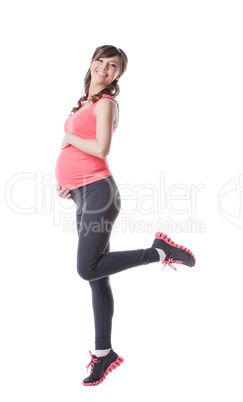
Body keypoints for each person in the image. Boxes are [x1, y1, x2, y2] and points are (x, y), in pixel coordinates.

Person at [55, 45, 196, 386]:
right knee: (95, 275)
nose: (104, 67)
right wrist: (68, 186)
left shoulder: (106, 104)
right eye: (100, 60)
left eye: (113, 65)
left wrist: (69, 138)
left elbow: (101, 148)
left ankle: (160, 251)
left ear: (118, 75)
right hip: (82, 195)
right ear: (91, 63)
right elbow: (80, 152)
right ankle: (104, 355)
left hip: (100, 192)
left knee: (85, 267)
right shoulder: (85, 103)